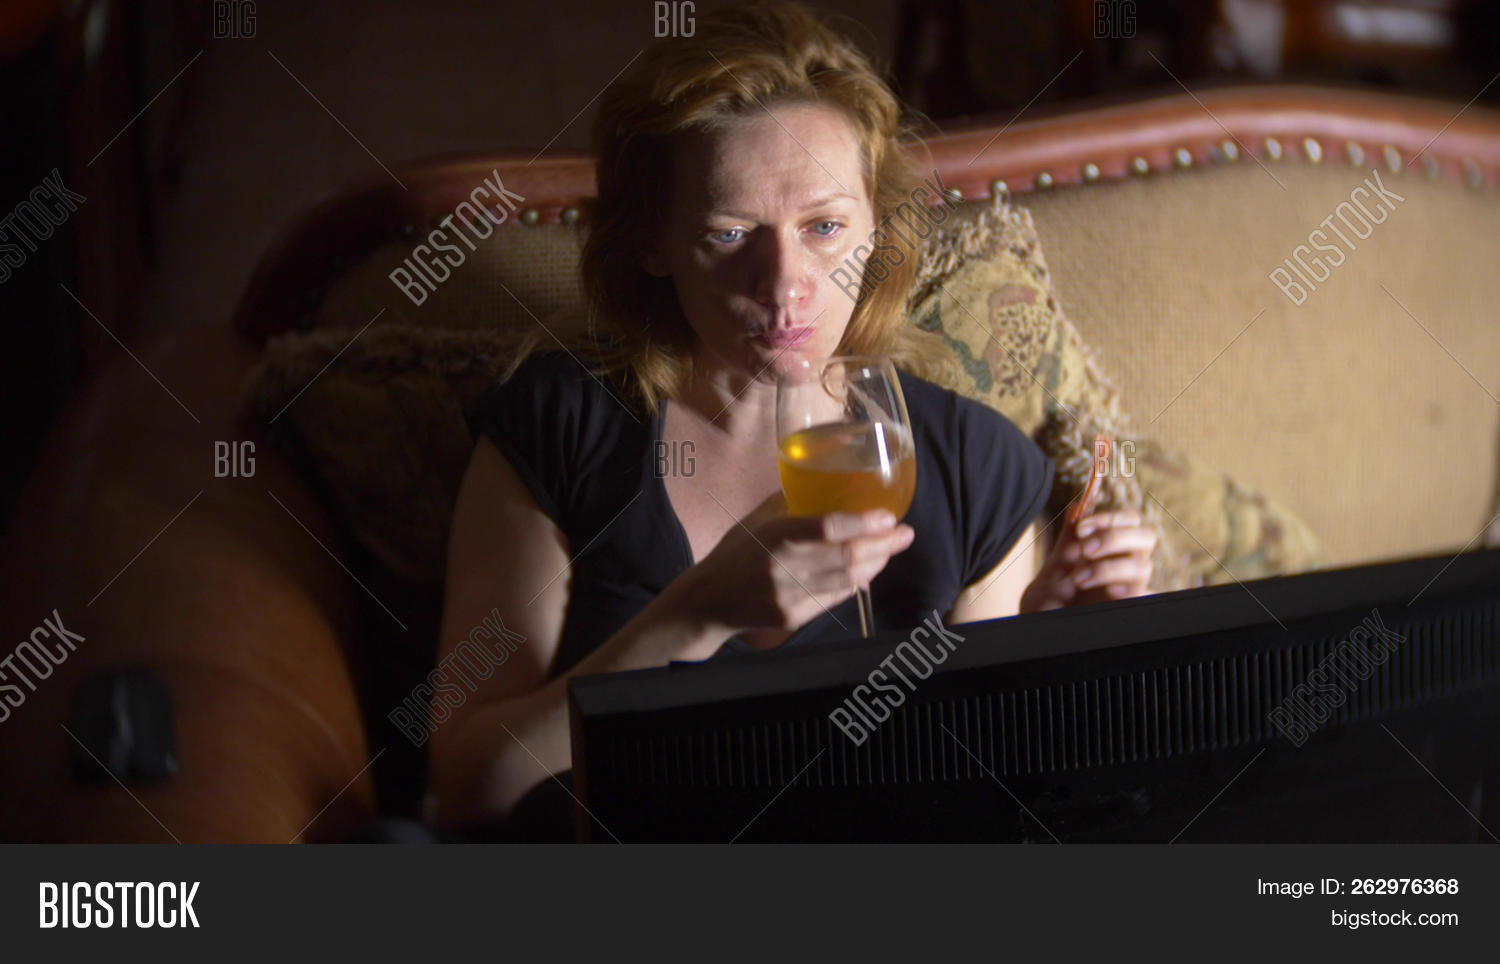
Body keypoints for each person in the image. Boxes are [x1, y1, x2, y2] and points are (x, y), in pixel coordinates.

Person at [430, 1, 1155, 838]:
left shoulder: (970, 463)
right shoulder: (563, 425)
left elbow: (981, 803)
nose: (784, 284)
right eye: (729, 233)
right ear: (651, 243)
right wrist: (694, 616)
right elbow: (471, 790)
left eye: (825, 227)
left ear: (875, 230)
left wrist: (1043, 657)